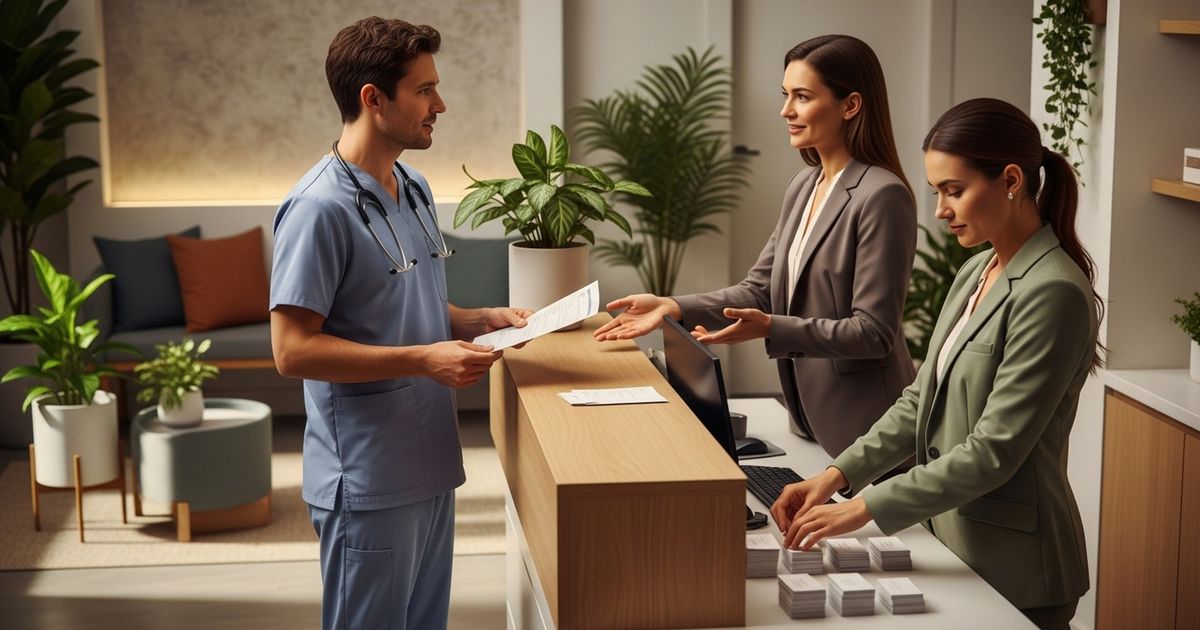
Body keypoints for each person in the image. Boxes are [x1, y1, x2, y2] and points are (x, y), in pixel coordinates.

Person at [771, 98, 1102, 630]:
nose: (941, 211)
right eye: (937, 193)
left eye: (954, 191)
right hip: (950, 546)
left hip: (1015, 568)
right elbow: (917, 401)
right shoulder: (976, 271)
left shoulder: (1054, 291)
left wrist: (863, 508)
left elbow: (994, 451)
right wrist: (835, 476)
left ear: (1011, 180)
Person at [269, 18, 531, 630]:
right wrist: (422, 360)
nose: (440, 105)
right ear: (373, 98)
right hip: (367, 477)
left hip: (429, 464)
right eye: (424, 90)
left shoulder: (410, 184)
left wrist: (474, 320)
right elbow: (292, 351)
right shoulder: (317, 210)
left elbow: (394, 302)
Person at [594, 34, 917, 458]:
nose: (786, 111)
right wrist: (671, 306)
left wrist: (770, 326)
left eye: (802, 97)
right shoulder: (805, 185)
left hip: (869, 428)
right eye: (786, 95)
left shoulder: (882, 195)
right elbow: (759, 289)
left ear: (850, 105)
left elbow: (873, 333)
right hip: (809, 421)